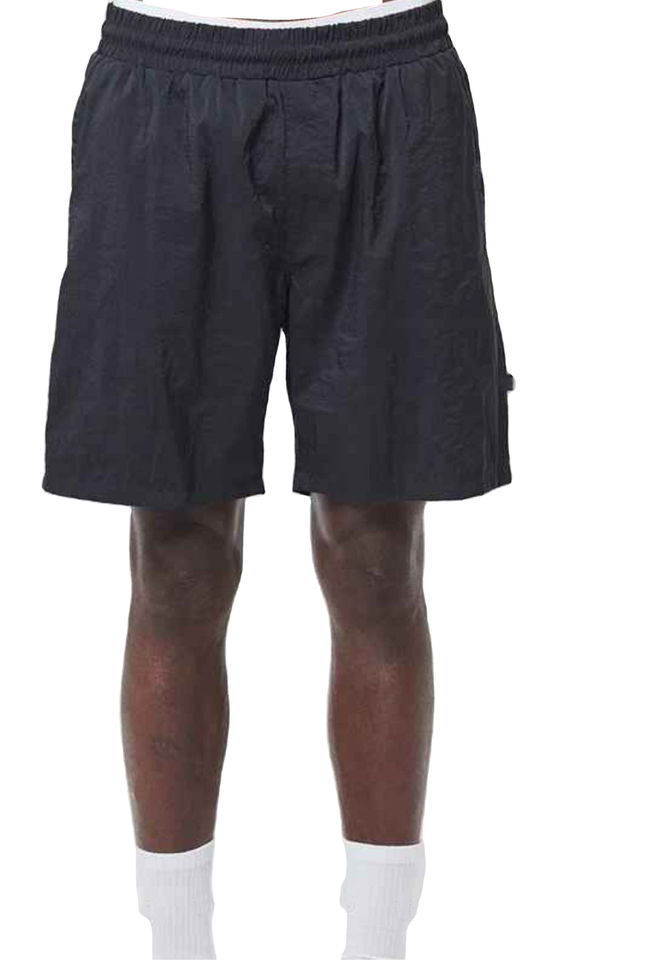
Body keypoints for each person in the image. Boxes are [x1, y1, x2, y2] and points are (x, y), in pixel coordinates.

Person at [43, 0, 512, 956]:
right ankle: (178, 944)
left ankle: (377, 944)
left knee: (378, 552)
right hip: (164, 81)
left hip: (389, 75)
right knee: (175, 555)